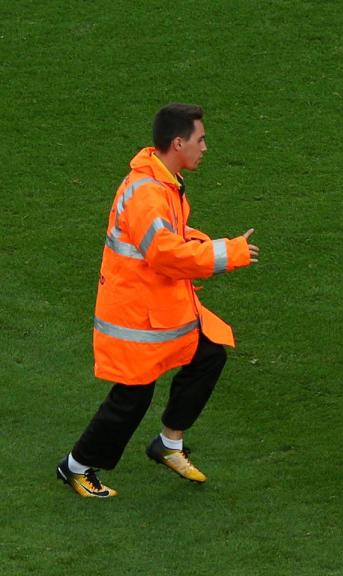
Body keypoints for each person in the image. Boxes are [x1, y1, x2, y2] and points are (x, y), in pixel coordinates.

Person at [56, 103, 259, 498]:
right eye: (200, 140)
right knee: (132, 396)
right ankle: (76, 467)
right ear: (178, 143)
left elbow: (170, 237)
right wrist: (225, 254)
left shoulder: (161, 181)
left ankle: (169, 443)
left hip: (158, 310)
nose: (205, 147)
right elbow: (163, 253)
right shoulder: (148, 193)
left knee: (209, 354)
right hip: (138, 318)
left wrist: (206, 243)